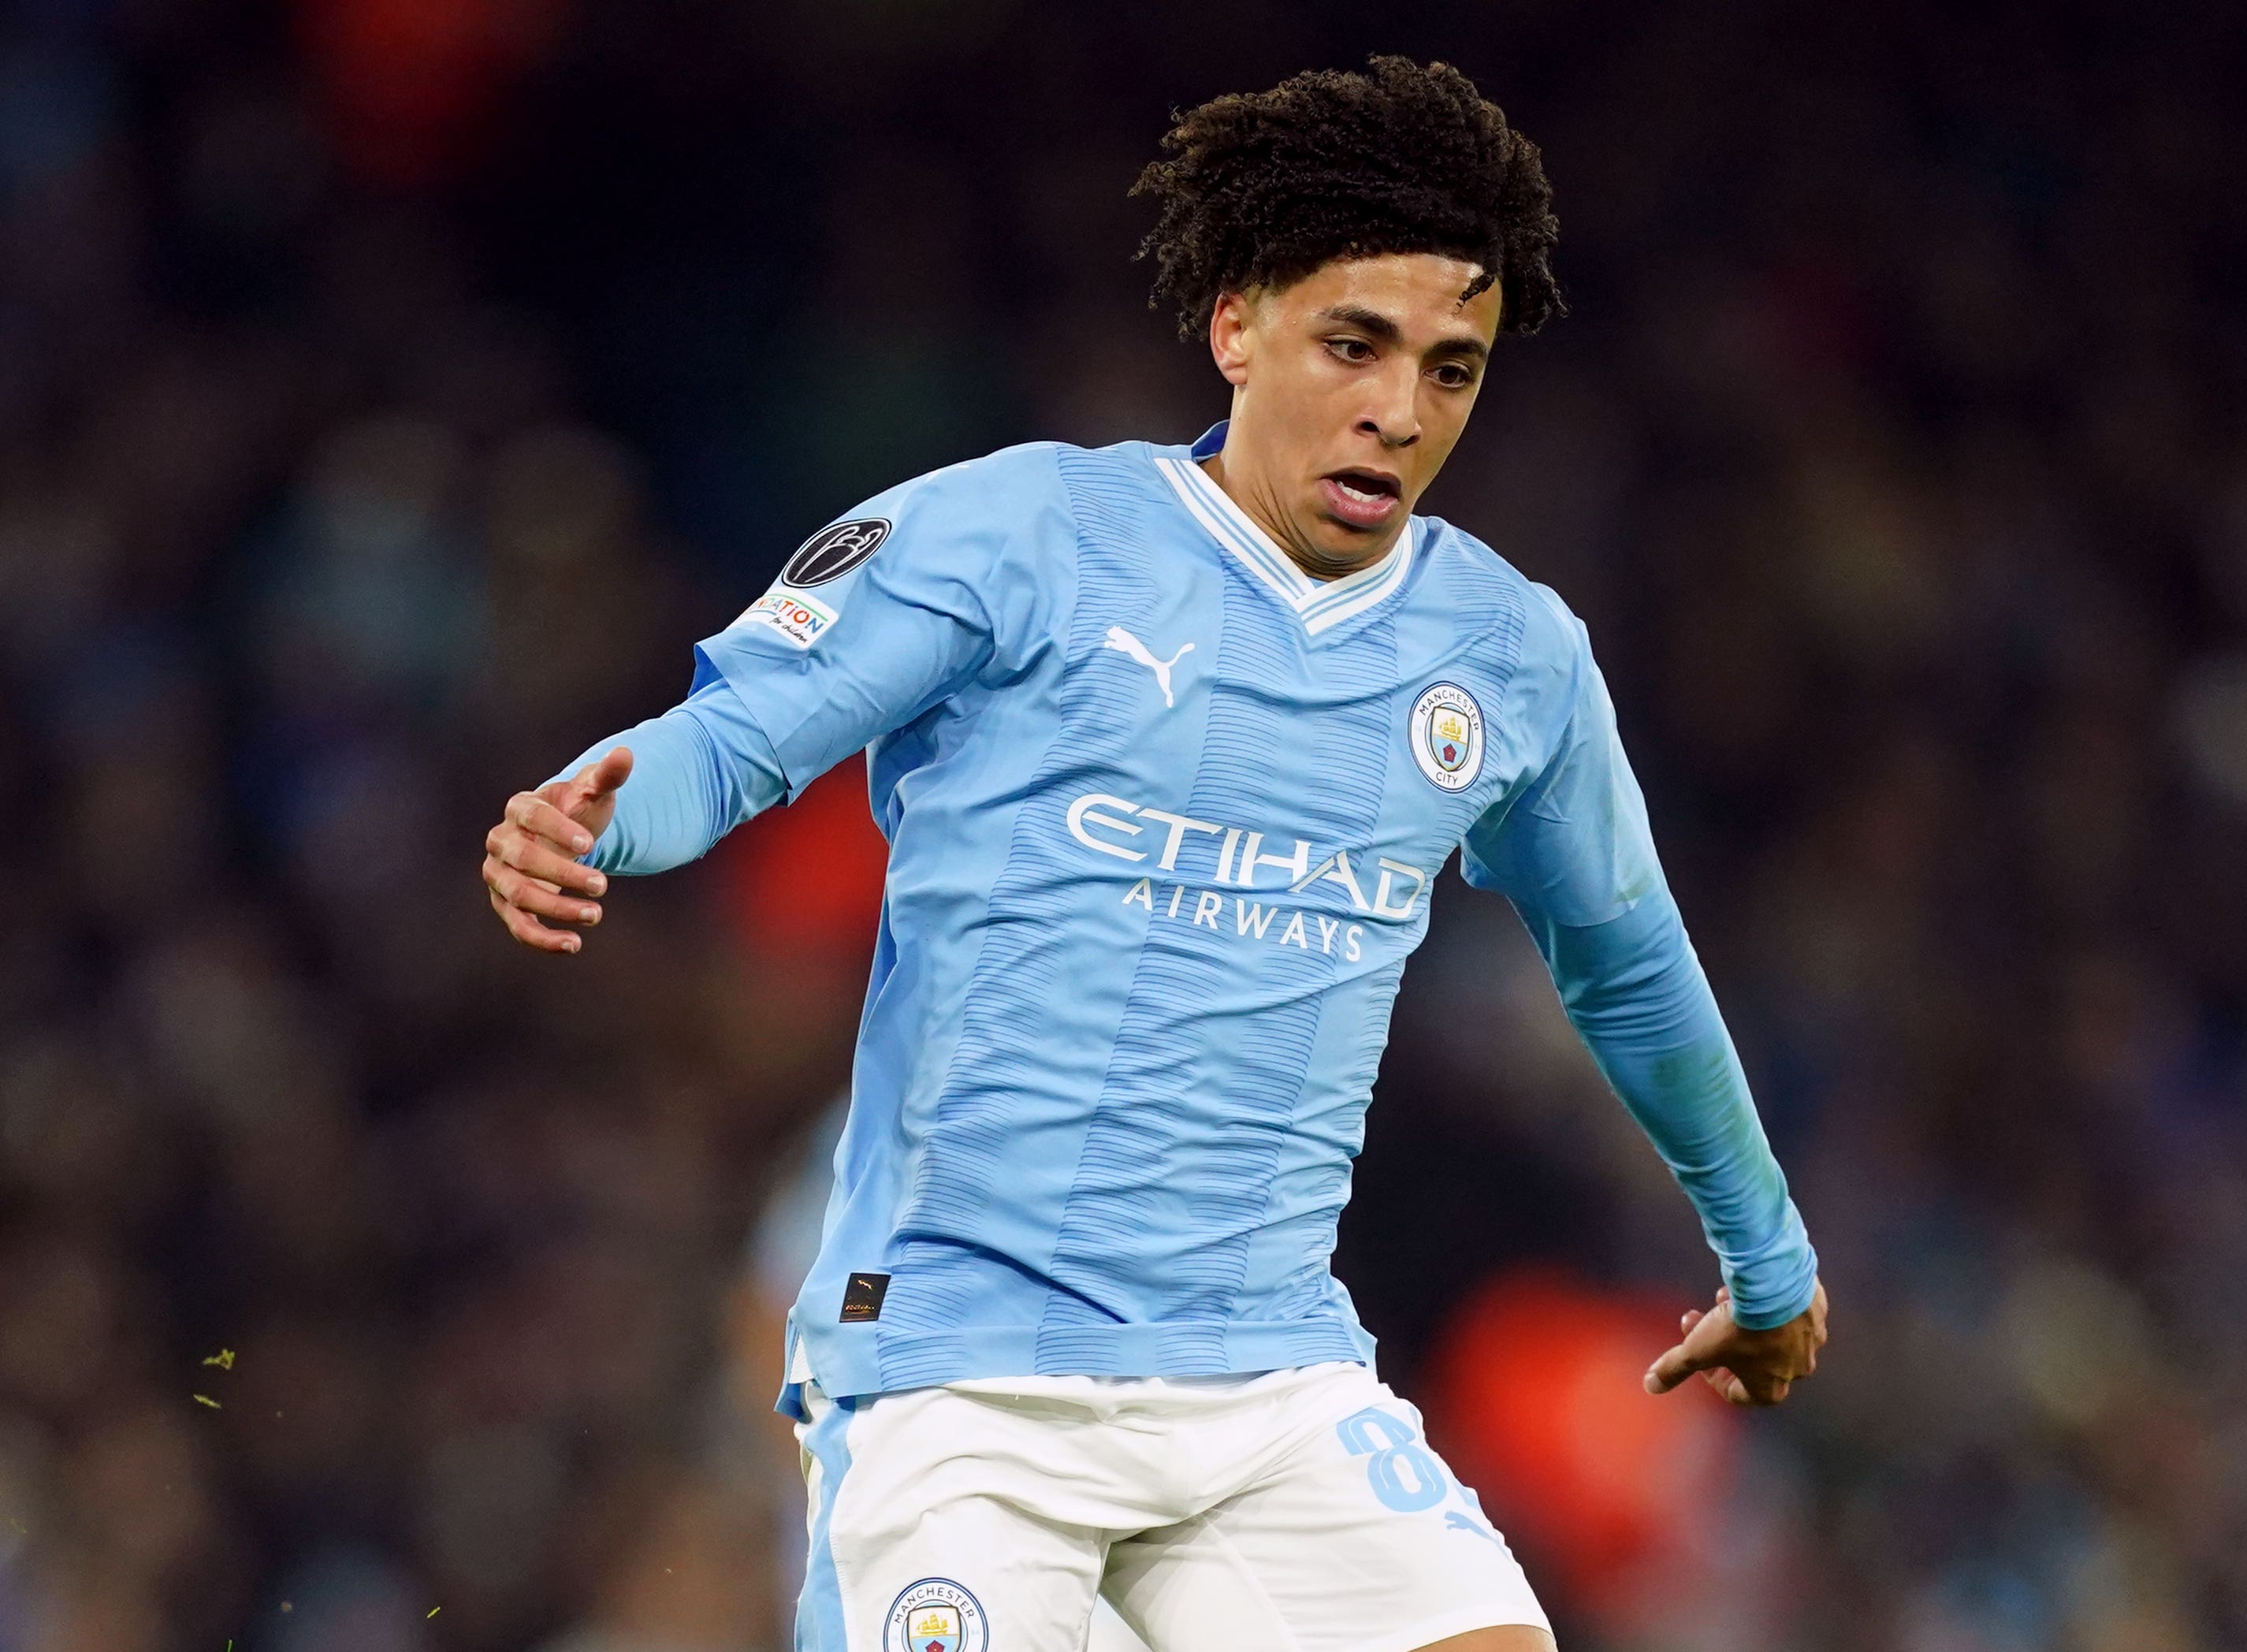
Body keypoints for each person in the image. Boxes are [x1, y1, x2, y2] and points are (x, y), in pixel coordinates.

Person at [480, 56, 1826, 1652]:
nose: (1401, 412)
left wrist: (1765, 1255)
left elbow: (1628, 963)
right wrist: (597, 808)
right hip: (963, 1380)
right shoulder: (1023, 538)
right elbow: (741, 735)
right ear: (1237, 325)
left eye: (1452, 369)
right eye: (1355, 345)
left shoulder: (1508, 654)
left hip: (1264, 1380)